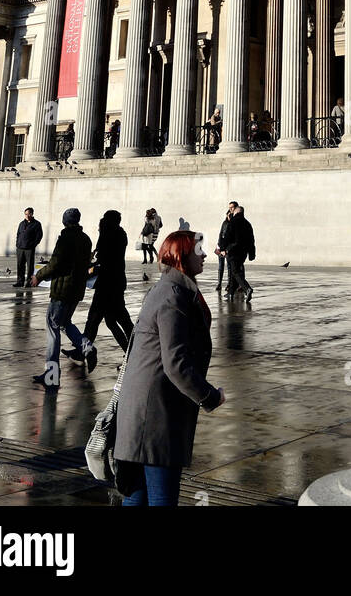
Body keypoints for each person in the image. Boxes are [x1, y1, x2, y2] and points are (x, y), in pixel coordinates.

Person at [114, 229, 225, 507]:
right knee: (160, 498)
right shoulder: (173, 296)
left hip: (145, 411)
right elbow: (175, 363)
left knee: (136, 496)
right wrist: (210, 396)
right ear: (181, 256)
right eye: (198, 250)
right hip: (157, 416)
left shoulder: (169, 290)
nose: (205, 254)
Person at [31, 208, 96, 387]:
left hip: (62, 290)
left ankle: (51, 375)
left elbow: (55, 263)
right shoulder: (86, 239)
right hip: (77, 290)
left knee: (53, 326)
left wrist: (39, 275)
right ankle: (86, 347)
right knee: (64, 322)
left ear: (65, 221)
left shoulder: (66, 238)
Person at [80, 210, 134, 353]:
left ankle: (84, 350)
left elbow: (104, 260)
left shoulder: (108, 235)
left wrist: (91, 268)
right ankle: (133, 351)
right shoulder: (121, 234)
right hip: (116, 282)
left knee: (95, 319)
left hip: (106, 284)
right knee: (114, 320)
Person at [224, 204, 255, 302]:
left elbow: (227, 236)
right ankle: (231, 293)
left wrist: (223, 248)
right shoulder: (247, 224)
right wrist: (251, 253)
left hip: (233, 251)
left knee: (235, 271)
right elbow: (251, 240)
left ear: (236, 212)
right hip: (243, 253)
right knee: (235, 270)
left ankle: (247, 289)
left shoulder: (233, 222)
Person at [15, 207, 43, 288]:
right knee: (20, 265)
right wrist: (17, 244)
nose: (26, 216)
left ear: (32, 214)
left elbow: (39, 236)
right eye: (25, 214)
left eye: (28, 214)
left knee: (30, 266)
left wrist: (33, 245)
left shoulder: (37, 224)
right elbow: (18, 234)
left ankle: (29, 282)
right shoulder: (21, 223)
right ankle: (20, 281)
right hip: (20, 248)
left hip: (29, 249)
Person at [214, 202, 237, 293]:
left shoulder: (233, 224)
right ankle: (219, 283)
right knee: (220, 266)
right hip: (221, 247)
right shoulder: (224, 223)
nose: (229, 216)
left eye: (230, 215)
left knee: (229, 267)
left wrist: (226, 249)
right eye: (228, 215)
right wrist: (219, 246)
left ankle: (229, 284)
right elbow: (220, 234)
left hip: (227, 249)